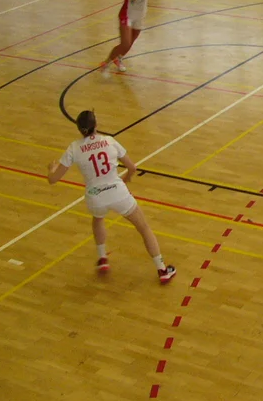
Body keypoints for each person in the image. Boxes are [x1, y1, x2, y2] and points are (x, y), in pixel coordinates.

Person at [46, 110, 177, 283]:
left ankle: (102, 259)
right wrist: (126, 178)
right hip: (118, 193)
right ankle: (161, 269)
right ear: (96, 125)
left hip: (95, 197)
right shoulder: (109, 141)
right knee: (143, 227)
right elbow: (132, 167)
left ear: (79, 129)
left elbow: (53, 180)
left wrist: (51, 169)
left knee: (98, 218)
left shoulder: (74, 148)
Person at [101, 0, 156, 74]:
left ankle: (119, 59)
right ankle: (106, 62)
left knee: (130, 43)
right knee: (125, 43)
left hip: (139, 17)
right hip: (127, 15)